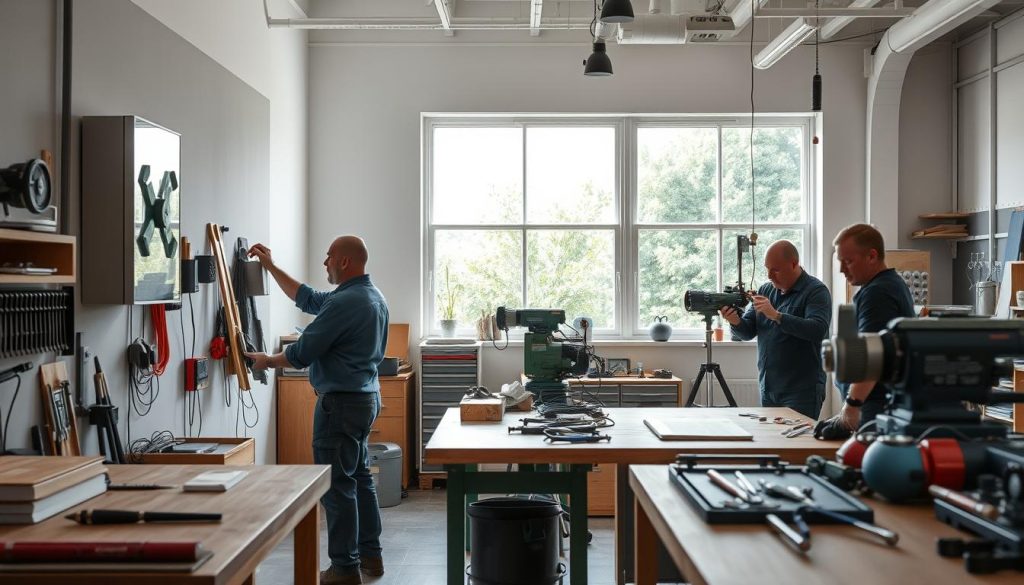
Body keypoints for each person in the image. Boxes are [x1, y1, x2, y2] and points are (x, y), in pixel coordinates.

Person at [244, 235, 389, 585]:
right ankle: (371, 557)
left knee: (337, 487)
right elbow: (307, 298)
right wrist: (270, 266)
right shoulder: (369, 296)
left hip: (339, 404)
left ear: (344, 262)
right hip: (364, 399)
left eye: (328, 257)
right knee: (360, 479)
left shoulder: (346, 302)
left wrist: (267, 360)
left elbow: (302, 352)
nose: (324, 263)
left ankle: (343, 568)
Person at [719, 240, 832, 419]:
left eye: (776, 269)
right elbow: (747, 332)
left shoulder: (816, 291)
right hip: (769, 387)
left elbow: (817, 330)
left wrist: (777, 316)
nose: (770, 275)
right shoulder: (766, 289)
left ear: (794, 264)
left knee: (796, 445)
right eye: (767, 269)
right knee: (771, 444)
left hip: (802, 391)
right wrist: (734, 321)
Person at [820, 223, 914, 435]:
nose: (842, 270)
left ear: (872, 256)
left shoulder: (877, 293)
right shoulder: (888, 285)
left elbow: (873, 354)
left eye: (848, 261)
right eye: (840, 262)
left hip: (874, 405)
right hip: (875, 404)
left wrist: (852, 405)